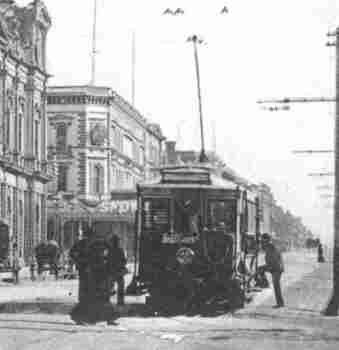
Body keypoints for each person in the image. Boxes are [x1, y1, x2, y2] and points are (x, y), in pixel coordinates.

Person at [261, 233, 285, 308]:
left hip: (276, 268)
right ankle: (265, 283)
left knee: (276, 285)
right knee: (260, 269)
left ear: (267, 240)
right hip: (274, 267)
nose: (263, 242)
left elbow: (274, 259)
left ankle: (280, 303)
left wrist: (268, 267)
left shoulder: (272, 247)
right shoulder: (269, 246)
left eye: (264, 240)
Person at [109, 235, 127, 306]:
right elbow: (124, 261)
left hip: (114, 271)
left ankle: (119, 301)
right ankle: (120, 302)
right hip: (116, 271)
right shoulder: (119, 250)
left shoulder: (111, 250)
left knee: (110, 287)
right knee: (120, 287)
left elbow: (123, 261)